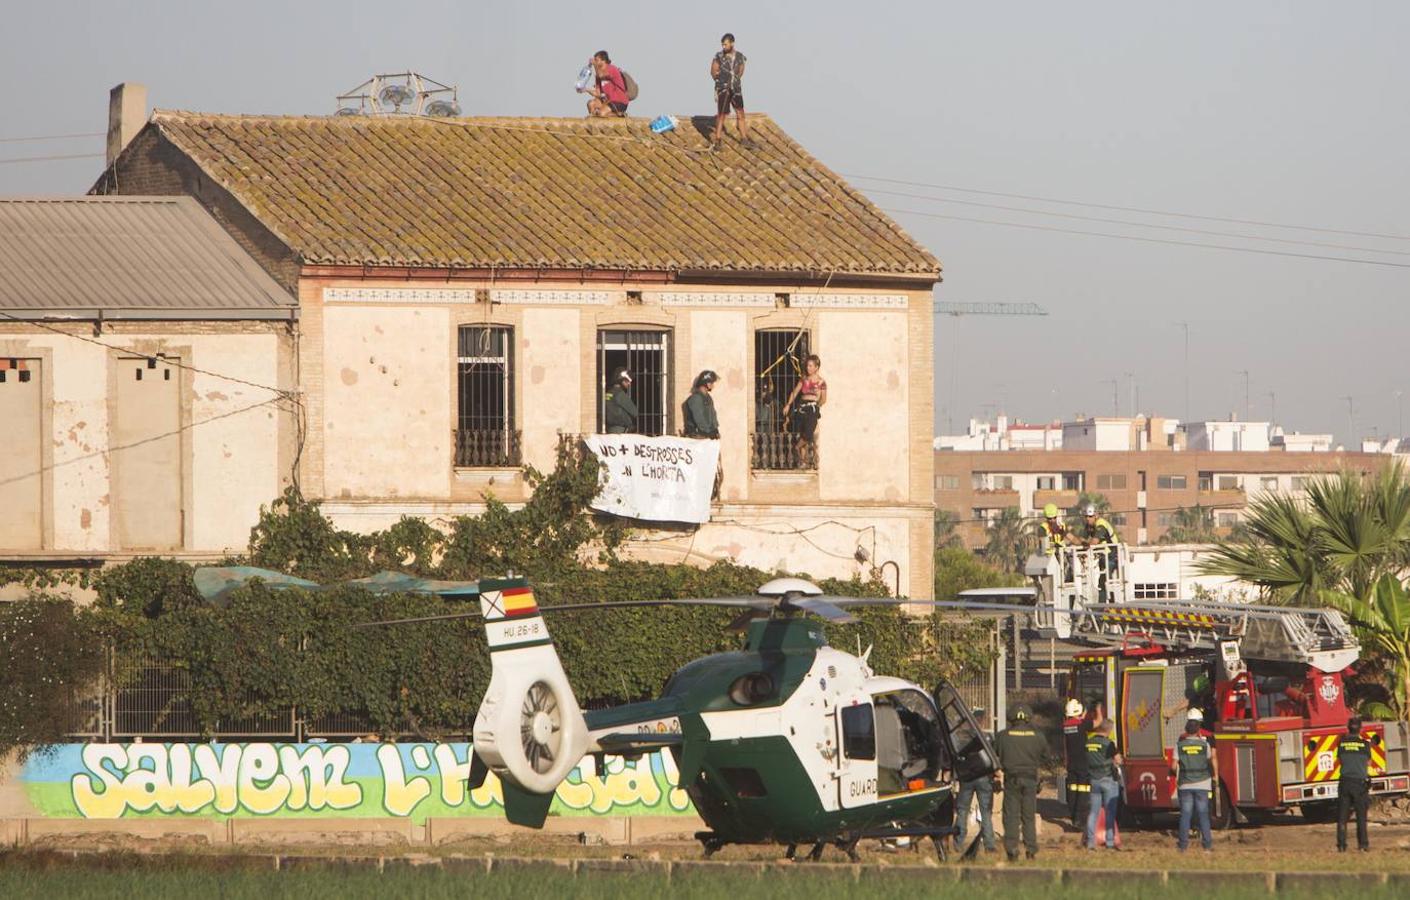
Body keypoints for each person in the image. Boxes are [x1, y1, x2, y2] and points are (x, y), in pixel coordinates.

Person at [993, 704, 1045, 861]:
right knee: (1028, 816)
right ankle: (1031, 850)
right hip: (1030, 779)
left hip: (1012, 780)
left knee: (1011, 816)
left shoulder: (1002, 736)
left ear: (1011, 718)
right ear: (1028, 717)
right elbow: (1046, 757)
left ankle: (1012, 849)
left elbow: (995, 755)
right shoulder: (1038, 736)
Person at [953, 710, 997, 855]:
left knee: (962, 810)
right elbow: (993, 757)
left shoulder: (961, 737)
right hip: (984, 778)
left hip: (967, 778)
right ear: (983, 720)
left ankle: (958, 843)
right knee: (986, 812)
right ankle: (989, 845)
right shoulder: (988, 737)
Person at [1171, 718, 1217, 853]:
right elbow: (1210, 760)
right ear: (1198, 731)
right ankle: (1207, 846)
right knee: (1203, 814)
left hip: (1185, 784)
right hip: (1203, 783)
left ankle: (1183, 846)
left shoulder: (1179, 746)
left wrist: (1179, 773)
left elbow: (1173, 766)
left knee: (1185, 815)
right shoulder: (1205, 745)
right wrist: (1214, 776)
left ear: (1186, 731)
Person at [1336, 717, 1375, 852]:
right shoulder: (1365, 745)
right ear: (1360, 729)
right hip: (1359, 784)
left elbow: (1340, 760)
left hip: (1345, 782)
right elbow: (1369, 762)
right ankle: (1363, 845)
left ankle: (1341, 846)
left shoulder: (1341, 744)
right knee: (1361, 817)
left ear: (1348, 728)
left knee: (1342, 817)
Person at [1085, 718, 1123, 851]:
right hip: (1107, 780)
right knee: (1110, 812)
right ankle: (1110, 842)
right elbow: (1118, 760)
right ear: (1109, 730)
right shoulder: (1109, 744)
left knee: (1093, 812)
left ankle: (1090, 842)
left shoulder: (1088, 743)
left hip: (1093, 780)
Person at [784, 354, 826, 465]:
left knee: (808, 433)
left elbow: (823, 399)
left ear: (817, 367)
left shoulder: (821, 382)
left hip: (812, 409)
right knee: (803, 434)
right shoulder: (803, 379)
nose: (808, 368)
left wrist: (816, 406)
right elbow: (795, 392)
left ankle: (796, 447)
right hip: (802, 407)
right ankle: (803, 462)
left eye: (811, 366)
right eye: (807, 366)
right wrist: (788, 405)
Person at [709, 33, 749, 146]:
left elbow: (741, 71)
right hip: (723, 89)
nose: (724, 47)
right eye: (722, 45)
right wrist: (721, 81)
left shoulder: (740, 57)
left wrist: (734, 79)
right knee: (722, 114)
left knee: (740, 112)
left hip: (736, 89)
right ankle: (717, 139)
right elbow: (713, 71)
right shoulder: (719, 56)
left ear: (732, 43)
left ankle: (744, 138)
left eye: (725, 44)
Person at [1078, 504, 1120, 599]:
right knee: (1095, 580)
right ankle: (1098, 606)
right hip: (1101, 556)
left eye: (1090, 516)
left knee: (1103, 581)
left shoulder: (1101, 524)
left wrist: (1085, 547)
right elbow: (1080, 540)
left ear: (1096, 515)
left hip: (1111, 556)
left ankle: (1107, 605)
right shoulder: (1089, 526)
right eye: (1086, 516)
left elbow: (1094, 542)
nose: (1088, 519)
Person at [1062, 698, 1091, 833]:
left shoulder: (1066, 725)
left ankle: (1074, 818)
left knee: (1072, 790)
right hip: (1083, 764)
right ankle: (1080, 820)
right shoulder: (1082, 724)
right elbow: (1095, 723)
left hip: (1071, 764)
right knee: (1083, 791)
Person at [584, 50, 629, 117]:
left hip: (619, 102)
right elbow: (598, 93)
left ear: (603, 61)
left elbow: (601, 75)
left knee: (601, 114)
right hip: (608, 101)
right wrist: (585, 89)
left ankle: (619, 115)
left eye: (597, 60)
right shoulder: (598, 76)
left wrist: (594, 65)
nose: (595, 62)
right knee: (591, 104)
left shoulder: (611, 68)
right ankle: (596, 121)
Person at [684, 370, 720, 439]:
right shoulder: (695, 399)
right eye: (711, 382)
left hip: (707, 434)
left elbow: (713, 414)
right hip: (697, 435)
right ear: (705, 383)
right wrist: (708, 432)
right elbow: (699, 418)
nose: (713, 385)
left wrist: (715, 429)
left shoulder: (708, 398)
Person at [604, 369, 637, 434]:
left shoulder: (608, 393)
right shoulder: (620, 394)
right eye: (627, 381)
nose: (629, 383)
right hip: (621, 430)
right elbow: (634, 412)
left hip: (610, 428)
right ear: (620, 380)